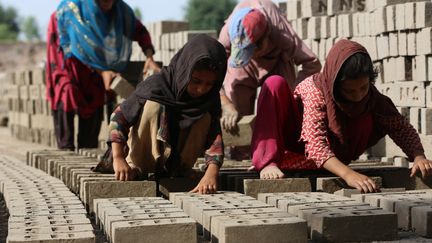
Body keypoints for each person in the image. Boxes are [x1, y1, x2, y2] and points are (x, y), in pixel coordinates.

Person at [251, 39, 432, 193]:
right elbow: (315, 144)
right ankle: (267, 161)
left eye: (363, 87)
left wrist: (418, 156)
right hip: (298, 147)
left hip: (338, 152)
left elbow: (399, 126)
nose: (358, 95)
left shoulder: (373, 98)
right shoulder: (315, 90)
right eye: (349, 91)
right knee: (274, 83)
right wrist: (348, 175)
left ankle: (336, 165)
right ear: (334, 83)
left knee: (368, 114)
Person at [107, 34, 227, 194]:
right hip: (142, 160)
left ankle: (179, 170)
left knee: (204, 117)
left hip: (177, 166)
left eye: (209, 84)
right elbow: (119, 117)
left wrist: (211, 173)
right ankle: (137, 165)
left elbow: (215, 138)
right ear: (185, 71)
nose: (201, 89)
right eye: (196, 81)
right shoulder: (155, 86)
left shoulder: (209, 98)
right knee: (153, 106)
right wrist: (118, 158)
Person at [45, 0, 160, 150]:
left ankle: (87, 149)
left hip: (97, 69)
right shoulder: (72, 11)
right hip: (68, 64)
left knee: (96, 97)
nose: (106, 2)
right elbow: (72, 48)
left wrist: (149, 57)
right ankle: (65, 149)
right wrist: (103, 71)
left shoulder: (121, 12)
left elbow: (140, 31)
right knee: (67, 92)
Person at [218, 0, 322, 134]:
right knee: (237, 113)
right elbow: (212, 75)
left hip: (276, 60)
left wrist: (293, 95)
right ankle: (240, 151)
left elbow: (312, 63)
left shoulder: (279, 30)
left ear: (266, 37)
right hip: (241, 65)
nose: (251, 55)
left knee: (279, 113)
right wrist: (226, 104)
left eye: (252, 50)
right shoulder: (229, 33)